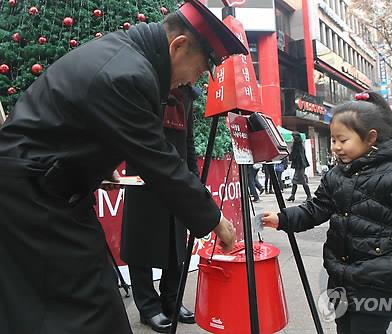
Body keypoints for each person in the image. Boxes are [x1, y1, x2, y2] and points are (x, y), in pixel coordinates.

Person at [0, 1, 246, 333]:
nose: (193, 81)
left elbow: (72, 125)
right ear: (179, 45)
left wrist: (99, 167)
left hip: (45, 190)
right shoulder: (130, 74)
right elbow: (160, 161)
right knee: (89, 311)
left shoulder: (127, 55)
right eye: (200, 70)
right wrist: (216, 221)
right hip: (32, 200)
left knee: (61, 307)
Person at [262, 91, 392, 334]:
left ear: (370, 138)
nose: (336, 147)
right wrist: (283, 219)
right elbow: (316, 209)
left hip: (379, 279)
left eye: (342, 140)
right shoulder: (335, 175)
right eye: (333, 140)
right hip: (340, 276)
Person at [120, 85, 201, 333]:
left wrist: (193, 177)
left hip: (176, 177)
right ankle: (148, 307)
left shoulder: (186, 94)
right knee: (140, 244)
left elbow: (187, 139)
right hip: (143, 176)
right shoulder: (146, 84)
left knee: (176, 242)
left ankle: (172, 300)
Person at [286, 131, 312, 202]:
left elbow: (296, 156)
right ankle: (292, 195)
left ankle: (309, 196)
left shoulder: (297, 145)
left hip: (300, 166)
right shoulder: (299, 145)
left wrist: (290, 155)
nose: (292, 139)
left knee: (302, 181)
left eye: (293, 137)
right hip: (300, 166)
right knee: (294, 181)